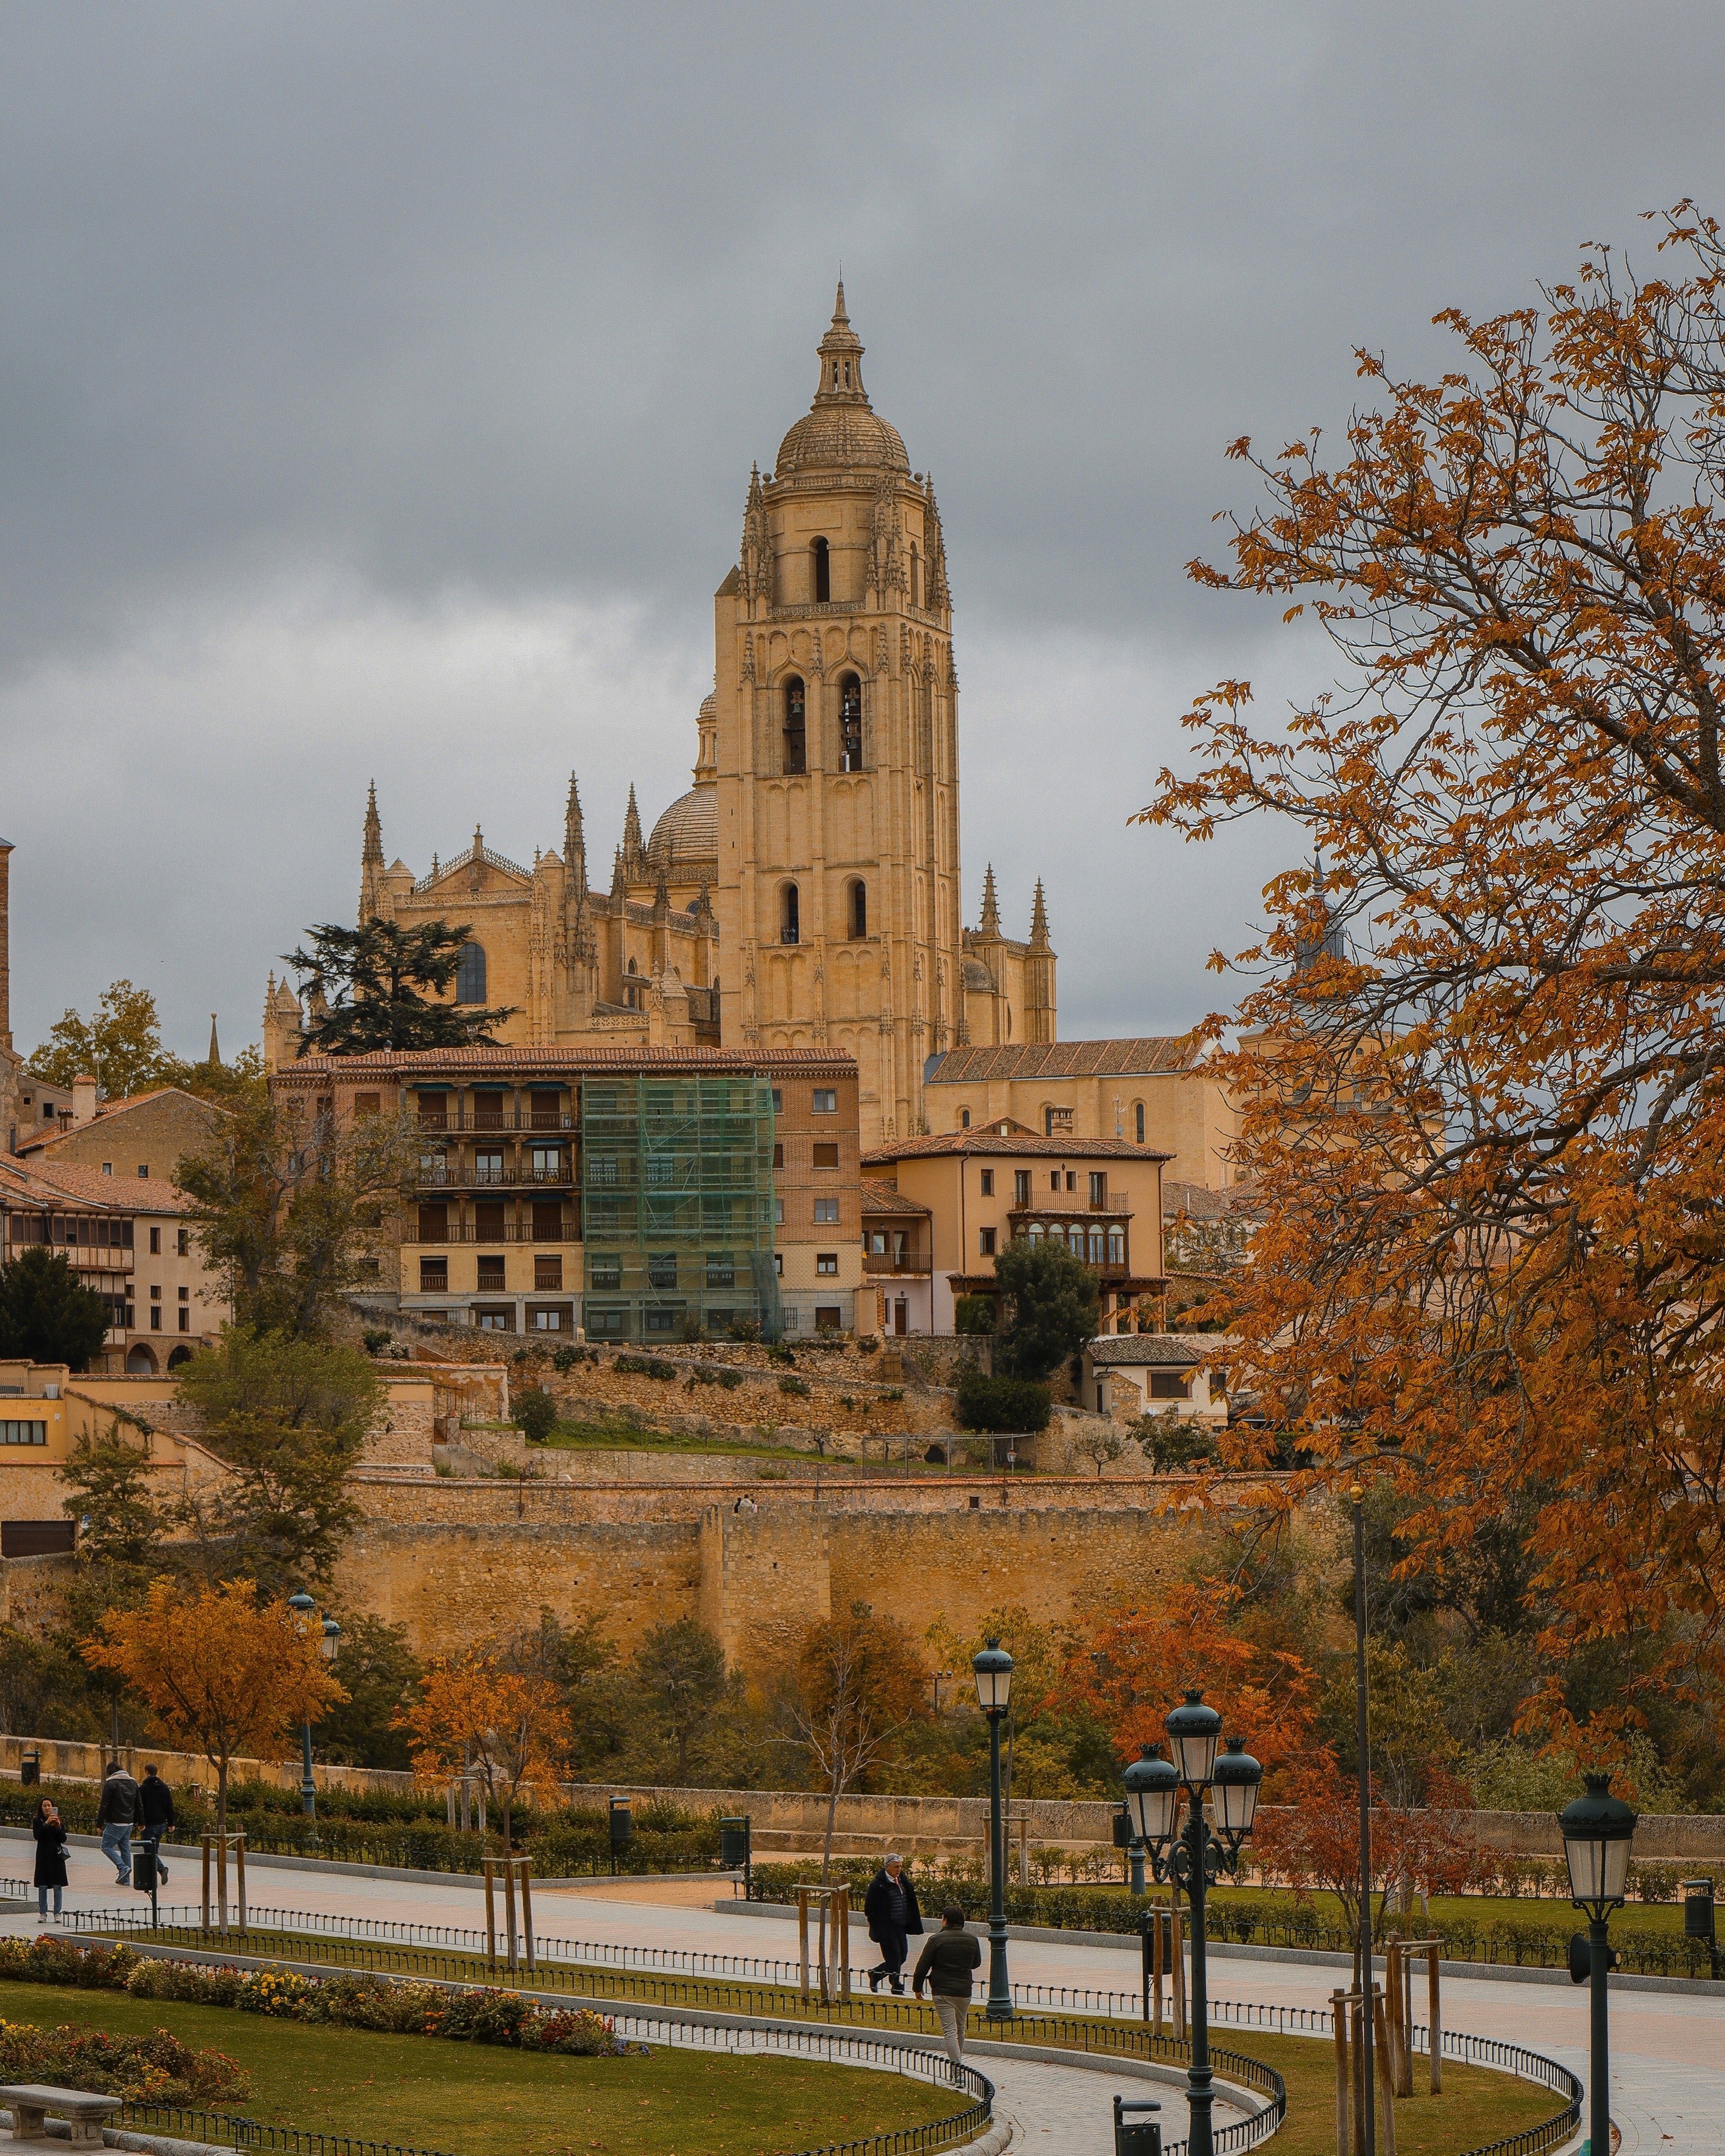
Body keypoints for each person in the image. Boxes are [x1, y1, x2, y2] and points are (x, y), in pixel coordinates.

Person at [912, 1904, 983, 2066]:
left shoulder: (936, 1940)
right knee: (960, 2029)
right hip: (964, 1991)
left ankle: (957, 2071)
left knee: (950, 2032)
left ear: (945, 1920)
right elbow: (976, 1963)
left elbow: (922, 1966)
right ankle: (958, 2066)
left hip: (942, 1990)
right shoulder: (972, 1940)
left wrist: (917, 1988)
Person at [862, 1851, 923, 1994]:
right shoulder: (877, 1885)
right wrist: (877, 1928)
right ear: (887, 1867)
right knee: (894, 1957)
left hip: (901, 1925)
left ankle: (876, 1974)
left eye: (901, 1866)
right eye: (896, 1867)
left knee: (903, 1955)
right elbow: (870, 1909)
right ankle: (896, 1985)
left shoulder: (902, 1880)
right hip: (887, 1928)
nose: (899, 1869)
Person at [95, 1758, 140, 1888]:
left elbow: (104, 1805)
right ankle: (126, 1880)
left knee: (106, 1846)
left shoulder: (111, 1784)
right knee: (125, 1848)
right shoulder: (133, 1783)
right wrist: (139, 1821)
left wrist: (99, 1823)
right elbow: (139, 1804)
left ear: (110, 1773)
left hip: (116, 1822)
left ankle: (123, 1868)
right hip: (129, 1822)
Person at [31, 1797, 67, 1922]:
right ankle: (43, 1913)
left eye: (49, 1806)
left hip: (57, 1857)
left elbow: (63, 1839)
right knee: (43, 1886)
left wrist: (58, 1826)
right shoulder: (38, 1821)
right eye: (45, 1806)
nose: (47, 1808)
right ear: (41, 1808)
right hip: (43, 1857)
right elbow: (38, 1835)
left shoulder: (58, 1821)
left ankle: (57, 1913)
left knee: (58, 1886)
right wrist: (46, 1823)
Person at [137, 1763, 173, 1883]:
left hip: (148, 1824)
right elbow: (169, 1806)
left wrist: (139, 1822)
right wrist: (171, 1823)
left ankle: (160, 1870)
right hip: (161, 1824)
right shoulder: (164, 1788)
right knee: (154, 1849)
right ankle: (158, 1871)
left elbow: (139, 1807)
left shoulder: (143, 1788)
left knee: (149, 1850)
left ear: (147, 1772)